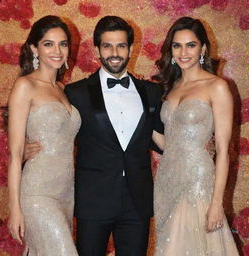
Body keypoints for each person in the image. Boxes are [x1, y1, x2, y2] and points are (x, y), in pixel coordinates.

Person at [24, 16, 164, 256]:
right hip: (92, 200)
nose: (115, 52)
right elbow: (51, 124)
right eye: (107, 46)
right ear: (97, 50)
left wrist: (201, 147)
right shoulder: (75, 93)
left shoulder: (151, 92)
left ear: (131, 48)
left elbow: (160, 135)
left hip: (137, 202)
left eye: (121, 45)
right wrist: (26, 148)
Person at [152, 16, 239, 255]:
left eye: (191, 45)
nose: (183, 52)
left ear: (203, 48)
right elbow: (168, 143)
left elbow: (223, 150)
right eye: (177, 45)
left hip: (197, 181)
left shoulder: (216, 86)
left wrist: (216, 203)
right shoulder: (170, 88)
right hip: (166, 182)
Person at [7, 15, 80, 255]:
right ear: (34, 48)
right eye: (48, 43)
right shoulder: (25, 86)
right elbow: (16, 154)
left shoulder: (62, 89)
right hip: (38, 193)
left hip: (66, 194)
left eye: (62, 43)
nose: (57, 50)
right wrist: (15, 207)